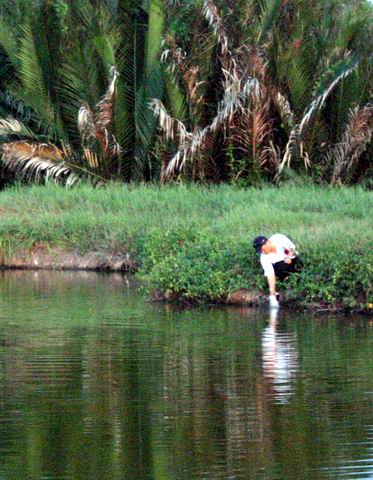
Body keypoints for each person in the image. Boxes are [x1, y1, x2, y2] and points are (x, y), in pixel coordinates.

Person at [253, 234, 302, 308]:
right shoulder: (264, 258)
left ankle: (295, 281)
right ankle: (279, 290)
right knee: (278, 267)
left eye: (262, 249)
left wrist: (289, 257)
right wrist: (272, 293)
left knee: (297, 265)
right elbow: (270, 274)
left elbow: (292, 248)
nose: (262, 252)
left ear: (268, 243)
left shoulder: (278, 239)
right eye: (260, 251)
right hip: (281, 267)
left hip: (293, 260)